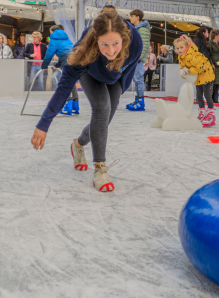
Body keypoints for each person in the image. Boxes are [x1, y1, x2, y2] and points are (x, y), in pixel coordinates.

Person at [30, 12, 143, 192]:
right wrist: (44, 124)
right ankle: (100, 168)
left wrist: (120, 88)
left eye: (115, 43)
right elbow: (64, 88)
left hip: (116, 76)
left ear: (124, 38)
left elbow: (129, 70)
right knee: (101, 108)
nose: (111, 50)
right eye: (104, 44)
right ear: (96, 39)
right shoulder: (84, 49)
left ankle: (78, 145)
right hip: (90, 73)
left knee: (105, 120)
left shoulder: (135, 42)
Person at [175, 35, 216, 127]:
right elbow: (183, 66)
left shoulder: (193, 55)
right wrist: (181, 70)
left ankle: (211, 114)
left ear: (187, 47)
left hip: (205, 74)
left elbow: (199, 67)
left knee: (206, 94)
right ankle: (202, 112)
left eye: (181, 47)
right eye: (177, 48)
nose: (179, 50)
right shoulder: (181, 57)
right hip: (197, 77)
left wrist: (188, 70)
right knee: (198, 95)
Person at [41, 25, 79, 116]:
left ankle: (68, 107)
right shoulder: (66, 38)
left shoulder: (54, 39)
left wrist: (44, 65)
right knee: (72, 83)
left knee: (66, 83)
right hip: (74, 60)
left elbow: (49, 54)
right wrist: (57, 65)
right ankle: (75, 106)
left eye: (51, 32)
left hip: (67, 63)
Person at [125, 9, 150, 111]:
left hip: (137, 59)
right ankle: (137, 100)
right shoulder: (136, 29)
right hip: (135, 58)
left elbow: (143, 46)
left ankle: (140, 102)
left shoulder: (142, 30)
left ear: (137, 17)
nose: (130, 18)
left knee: (139, 80)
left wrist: (137, 58)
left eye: (132, 16)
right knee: (136, 80)